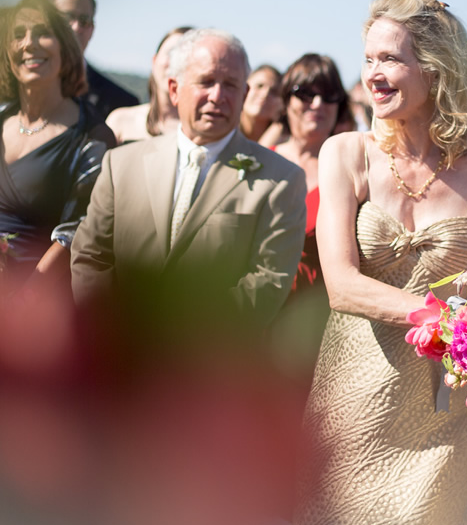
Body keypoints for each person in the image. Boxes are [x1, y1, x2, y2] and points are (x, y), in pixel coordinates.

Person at [294, 0, 467, 525]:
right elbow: (342, 286)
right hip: (352, 394)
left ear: (437, 68)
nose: (374, 74)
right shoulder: (345, 153)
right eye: (369, 59)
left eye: (391, 60)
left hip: (444, 409)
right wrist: (452, 321)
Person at [71, 27, 307, 329]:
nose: (217, 96)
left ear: (245, 95)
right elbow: (92, 256)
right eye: (206, 82)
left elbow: (268, 280)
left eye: (231, 85)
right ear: (174, 89)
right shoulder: (121, 164)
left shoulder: (281, 180)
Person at [0, 0, 115, 295]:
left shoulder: (93, 137)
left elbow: (79, 230)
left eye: (42, 33)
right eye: (18, 35)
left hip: (36, 300)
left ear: (65, 46)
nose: (29, 43)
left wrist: (23, 301)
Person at [268, 53, 351, 382]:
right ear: (286, 99)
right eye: (305, 93)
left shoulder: (349, 175)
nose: (317, 104)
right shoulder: (259, 162)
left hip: (309, 335)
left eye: (329, 95)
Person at [44, 0, 139, 118]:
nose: (76, 27)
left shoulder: (121, 104)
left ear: (92, 29)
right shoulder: (16, 88)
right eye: (67, 18)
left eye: (84, 20)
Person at [106, 26, 192, 143]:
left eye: (185, 56)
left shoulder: (205, 130)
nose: (176, 63)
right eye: (171, 53)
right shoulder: (121, 121)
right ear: (154, 61)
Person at [241, 64, 284, 146]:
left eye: (274, 91)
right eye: (260, 86)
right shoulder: (225, 129)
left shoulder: (285, 142)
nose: (265, 94)